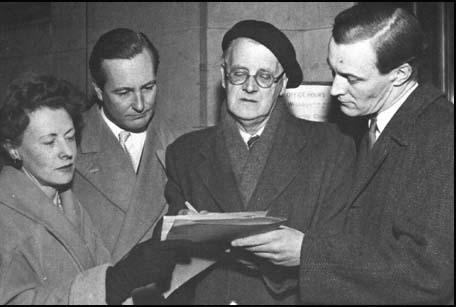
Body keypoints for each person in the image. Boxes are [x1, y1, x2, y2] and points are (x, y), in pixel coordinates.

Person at [232, 5, 454, 304]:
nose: (335, 89)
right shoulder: (373, 122)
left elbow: (429, 273)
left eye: (352, 78)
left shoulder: (442, 134)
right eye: (333, 71)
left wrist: (306, 251)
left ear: (400, 74)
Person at [164, 20, 356, 304]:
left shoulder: (332, 149)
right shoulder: (184, 153)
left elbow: (342, 256)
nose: (250, 87)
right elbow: (170, 260)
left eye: (265, 76)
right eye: (239, 73)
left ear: (283, 85)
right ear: (223, 76)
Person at [0, 73, 188, 304]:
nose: (67, 151)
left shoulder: (68, 203)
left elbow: (105, 275)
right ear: (12, 149)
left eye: (70, 137)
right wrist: (116, 281)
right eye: (49, 142)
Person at [72, 28, 181, 263]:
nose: (140, 105)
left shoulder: (180, 147)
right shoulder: (68, 146)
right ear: (99, 91)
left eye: (148, 87)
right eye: (124, 92)